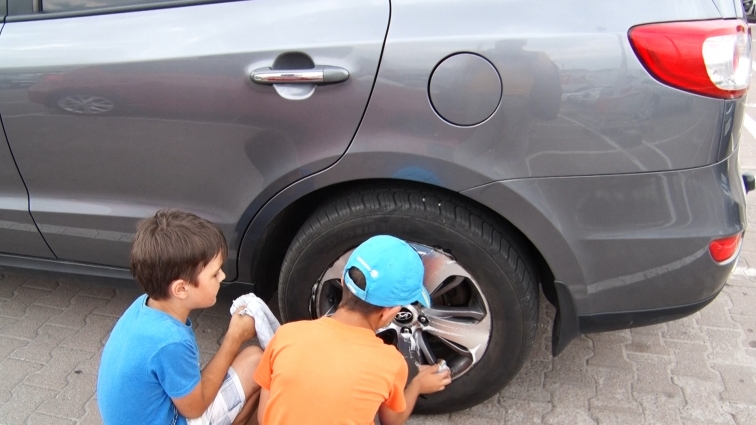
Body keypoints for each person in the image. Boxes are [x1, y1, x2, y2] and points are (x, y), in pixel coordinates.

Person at [254, 235, 452, 424]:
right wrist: (417, 385)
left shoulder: (287, 334)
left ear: (342, 279)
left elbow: (265, 417)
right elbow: (391, 420)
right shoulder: (390, 362)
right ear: (389, 312)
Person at [97, 209, 262, 425]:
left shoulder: (144, 306)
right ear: (181, 289)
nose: (222, 276)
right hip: (179, 416)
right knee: (257, 361)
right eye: (214, 273)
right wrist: (233, 339)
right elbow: (194, 408)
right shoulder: (171, 341)